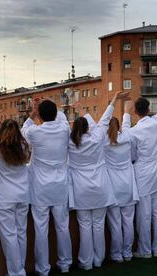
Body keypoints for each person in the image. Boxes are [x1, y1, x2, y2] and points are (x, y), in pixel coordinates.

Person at [69, 93, 123, 270]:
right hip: (100, 188)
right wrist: (114, 99)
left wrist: (80, 111)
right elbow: (106, 118)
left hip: (81, 190)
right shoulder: (98, 137)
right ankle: (98, 260)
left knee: (85, 226)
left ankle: (86, 262)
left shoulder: (70, 143)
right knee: (98, 226)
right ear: (88, 129)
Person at [21, 99, 72, 275]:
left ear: (40, 116)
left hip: (40, 189)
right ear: (56, 113)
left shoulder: (34, 132)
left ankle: (43, 269)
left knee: (41, 229)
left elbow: (22, 132)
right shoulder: (65, 129)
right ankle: (65, 265)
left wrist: (32, 114)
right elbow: (63, 118)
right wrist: (44, 110)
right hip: (59, 186)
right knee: (63, 227)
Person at [127, 74, 157, 258]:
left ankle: (145, 250)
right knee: (156, 213)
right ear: (148, 109)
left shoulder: (134, 131)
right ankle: (155, 249)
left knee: (144, 215)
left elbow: (132, 155)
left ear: (136, 113)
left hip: (143, 174)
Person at [0, 114, 30, 276]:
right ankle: (20, 270)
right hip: (22, 196)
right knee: (21, 233)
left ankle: (16, 272)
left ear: (3, 131)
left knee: (9, 237)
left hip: (5, 198)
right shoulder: (24, 146)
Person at [104, 99, 139, 263]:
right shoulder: (127, 138)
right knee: (128, 222)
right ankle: (128, 252)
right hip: (128, 185)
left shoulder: (104, 143)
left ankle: (117, 255)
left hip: (113, 186)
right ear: (118, 127)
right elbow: (127, 127)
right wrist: (126, 111)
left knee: (115, 223)